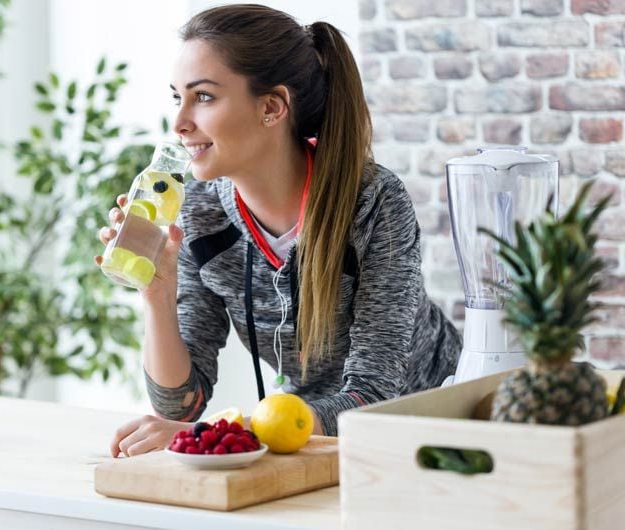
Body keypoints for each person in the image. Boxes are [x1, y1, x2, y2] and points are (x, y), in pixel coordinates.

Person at [95, 4, 460, 457]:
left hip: (438, 433)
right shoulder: (202, 213)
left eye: (203, 96)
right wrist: (156, 292)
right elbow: (182, 405)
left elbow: (374, 397)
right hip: (310, 443)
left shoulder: (372, 201)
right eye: (177, 97)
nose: (178, 122)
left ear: (271, 107)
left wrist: (218, 436)